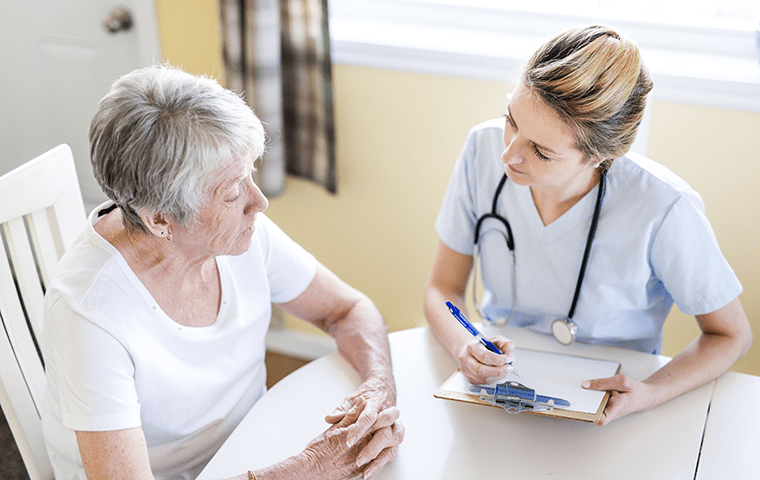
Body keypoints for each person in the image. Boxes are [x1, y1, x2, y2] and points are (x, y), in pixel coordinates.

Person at [41, 64, 403, 480]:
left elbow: (346, 309)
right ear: (161, 219)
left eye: (248, 175)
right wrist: (313, 468)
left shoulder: (236, 234)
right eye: (232, 192)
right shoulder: (89, 313)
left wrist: (379, 386)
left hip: (253, 445)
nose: (259, 202)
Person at [424, 25, 752, 426]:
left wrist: (651, 392)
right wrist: (465, 345)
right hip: (495, 391)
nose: (509, 154)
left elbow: (731, 335)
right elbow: (443, 288)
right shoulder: (480, 148)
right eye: (511, 120)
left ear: (601, 155)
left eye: (542, 152)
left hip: (606, 405)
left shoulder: (664, 207)